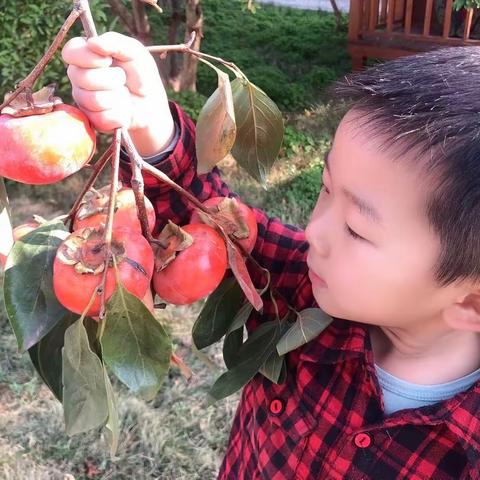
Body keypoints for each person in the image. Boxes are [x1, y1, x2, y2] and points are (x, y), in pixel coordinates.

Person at [62, 32, 480, 479]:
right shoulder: (303, 288)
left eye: (357, 230)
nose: (315, 230)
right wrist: (150, 128)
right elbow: (212, 223)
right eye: (325, 188)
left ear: (470, 302)